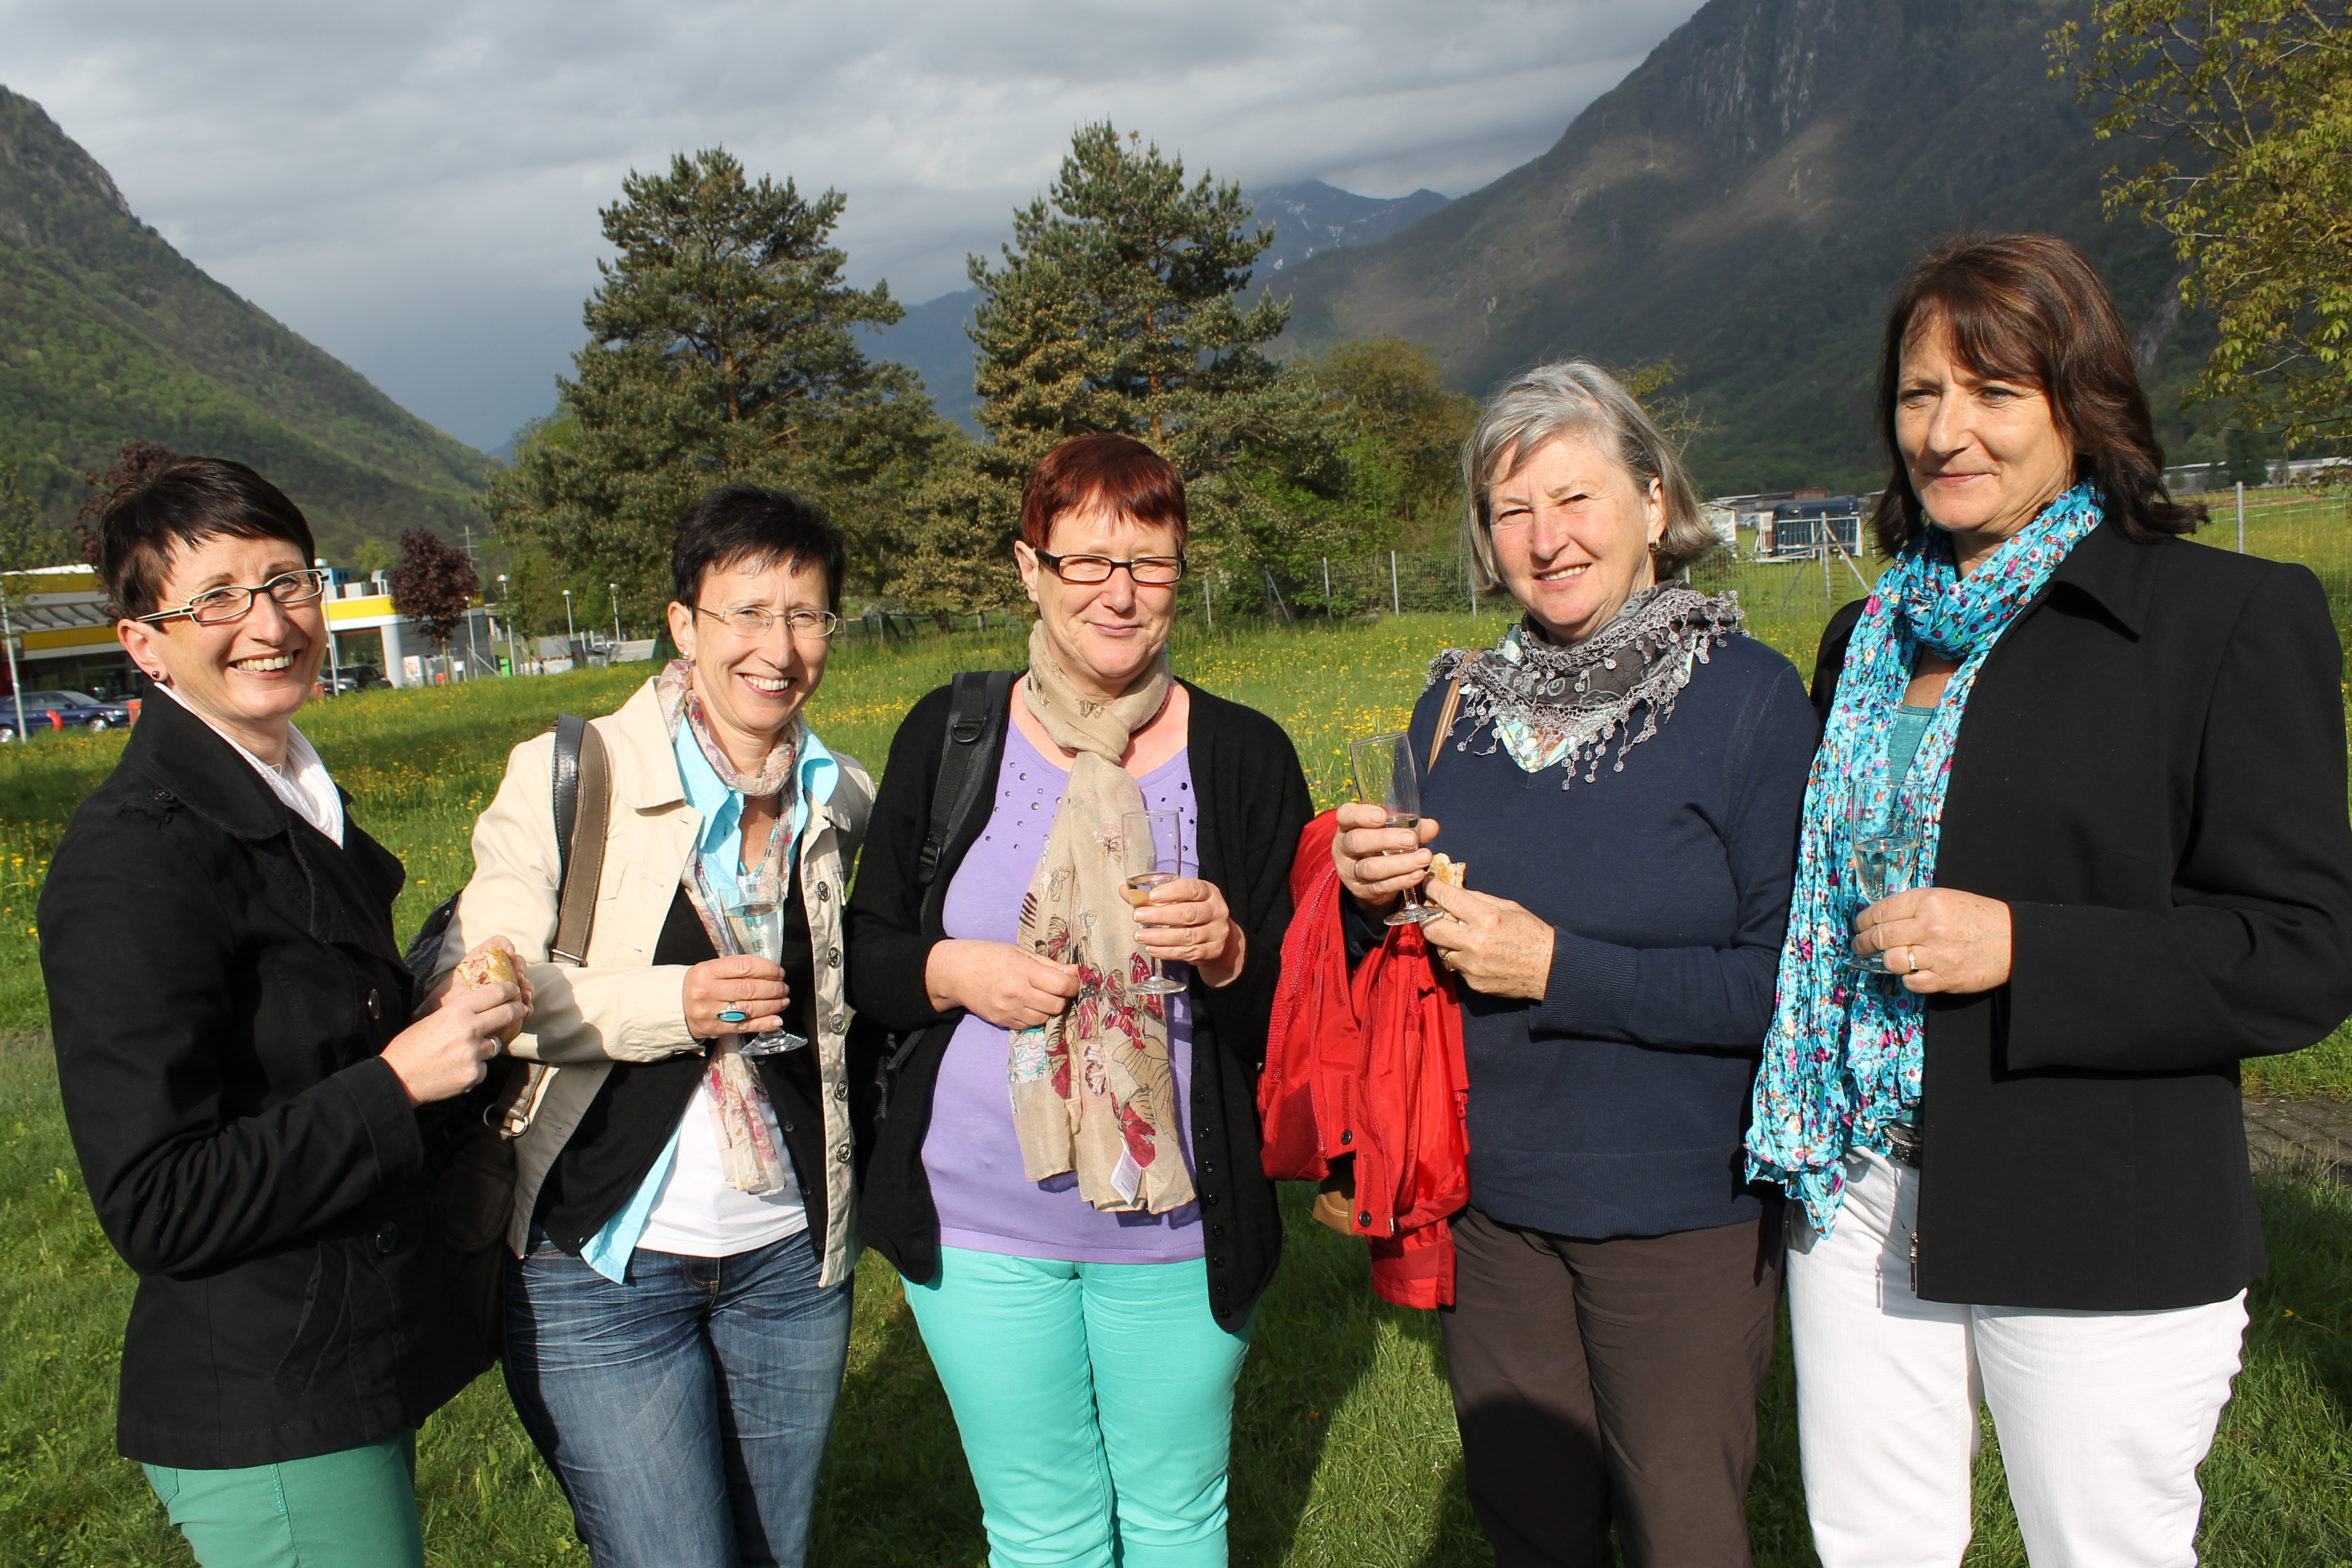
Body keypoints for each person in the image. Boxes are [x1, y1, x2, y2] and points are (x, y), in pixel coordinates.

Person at [1746, 233, 2352, 1566]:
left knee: (2103, 1547)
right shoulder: (1868, 636)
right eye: (1918, 393)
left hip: (2093, 1190)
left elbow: (2302, 953)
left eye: (1993, 392)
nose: (1943, 431)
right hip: (1857, 1178)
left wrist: (2023, 945)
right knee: (1877, 1545)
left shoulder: (2223, 618)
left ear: (2082, 402)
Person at [1330, 362, 1817, 1567]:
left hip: (1678, 1214)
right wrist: (1369, 899)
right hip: (1492, 1208)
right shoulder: (1457, 704)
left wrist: (1560, 967)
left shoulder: (1750, 700)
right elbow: (1396, 956)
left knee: (1682, 1535)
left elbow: (1784, 987)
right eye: (1512, 511)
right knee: (1533, 1530)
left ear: (1654, 502)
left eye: (1575, 497)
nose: (1546, 540)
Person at [40, 458, 524, 1566]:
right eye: (216, 597)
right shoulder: (132, 858)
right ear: (144, 643)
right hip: (267, 1393)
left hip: (339, 1362)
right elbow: (158, 1201)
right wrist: (399, 1079)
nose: (267, 623)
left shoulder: (292, 790)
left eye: (287, 582)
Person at [847, 433, 1313, 1568]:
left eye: (1150, 563)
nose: (1120, 592)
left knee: (1175, 1517)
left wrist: (1229, 951)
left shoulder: (1245, 754)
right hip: (980, 1218)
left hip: (1179, 1219)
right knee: (1041, 1528)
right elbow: (863, 951)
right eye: (1088, 562)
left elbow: (1302, 1016)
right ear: (1030, 567)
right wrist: (953, 971)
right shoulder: (949, 734)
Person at [434, 485, 873, 1567]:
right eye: (746, 612)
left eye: (806, 614)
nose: (778, 648)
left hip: (790, 1260)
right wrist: (670, 1007)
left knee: (773, 1552)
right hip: (599, 1263)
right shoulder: (573, 773)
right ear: (684, 623)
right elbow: (484, 985)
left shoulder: (838, 797)